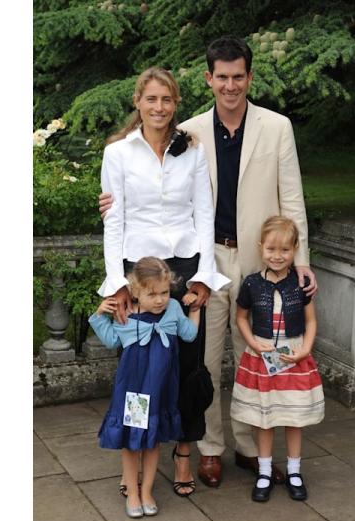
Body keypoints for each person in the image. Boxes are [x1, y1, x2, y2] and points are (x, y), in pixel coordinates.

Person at [100, 36, 318, 488]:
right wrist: (110, 206)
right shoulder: (193, 132)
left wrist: (300, 260)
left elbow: (292, 197)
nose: (231, 84)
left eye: (239, 76)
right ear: (209, 79)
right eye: (222, 77)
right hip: (207, 257)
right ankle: (208, 449)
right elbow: (135, 176)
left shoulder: (276, 127)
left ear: (249, 77)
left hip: (262, 261)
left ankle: (248, 447)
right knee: (200, 358)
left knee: (255, 357)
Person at [97, 67, 231, 499]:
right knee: (140, 371)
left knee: (190, 368)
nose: (159, 107)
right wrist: (118, 282)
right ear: (138, 101)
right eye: (151, 99)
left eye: (167, 100)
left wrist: (204, 278)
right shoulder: (118, 154)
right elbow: (113, 221)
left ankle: (183, 453)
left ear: (176, 105)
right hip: (140, 270)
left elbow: (204, 214)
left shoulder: (190, 151)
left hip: (185, 264)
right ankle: (134, 451)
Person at [89, 257, 203, 517]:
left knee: (153, 441)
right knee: (132, 442)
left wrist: (195, 310)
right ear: (136, 291)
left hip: (162, 388)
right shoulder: (128, 315)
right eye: (152, 294)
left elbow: (189, 334)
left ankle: (148, 490)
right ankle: (132, 491)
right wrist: (99, 315)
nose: (160, 299)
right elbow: (109, 341)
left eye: (164, 292)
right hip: (135, 391)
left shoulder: (173, 309)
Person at [230, 216, 324, 502]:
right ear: (261, 248)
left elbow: (310, 321)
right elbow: (241, 317)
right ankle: (265, 470)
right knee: (265, 418)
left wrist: (306, 349)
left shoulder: (299, 284)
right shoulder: (252, 284)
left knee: (293, 417)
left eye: (284, 250)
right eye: (271, 249)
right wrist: (251, 342)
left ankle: (294, 471)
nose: (277, 256)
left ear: (295, 249)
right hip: (261, 358)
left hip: (293, 357)